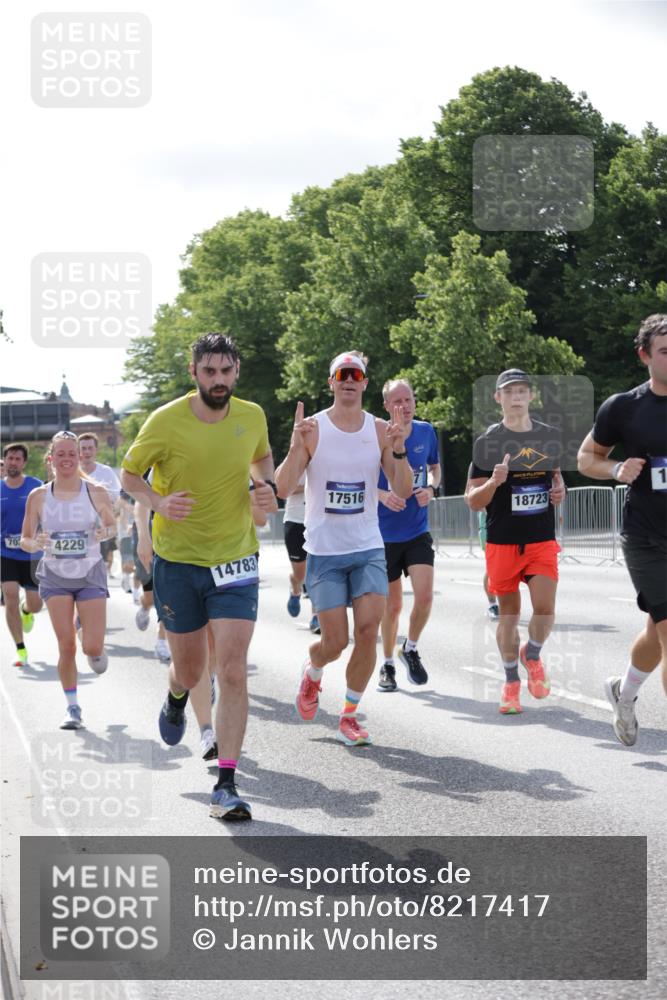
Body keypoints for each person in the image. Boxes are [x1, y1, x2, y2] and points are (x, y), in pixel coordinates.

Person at [121, 332, 276, 822]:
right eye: (209, 372)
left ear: (236, 372)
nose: (219, 380)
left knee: (231, 669)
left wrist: (265, 488)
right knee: (192, 672)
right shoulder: (165, 421)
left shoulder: (251, 415)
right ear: (194, 373)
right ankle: (175, 697)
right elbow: (130, 475)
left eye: (226, 372)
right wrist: (159, 503)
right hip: (179, 560)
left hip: (235, 560)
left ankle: (226, 782)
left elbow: (262, 457)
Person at [275, 350, 412, 746]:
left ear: (366, 383)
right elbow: (283, 488)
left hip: (368, 546)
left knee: (368, 631)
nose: (349, 379)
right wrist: (294, 446)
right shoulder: (313, 428)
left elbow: (402, 489)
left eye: (356, 374)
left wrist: (399, 450)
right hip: (325, 551)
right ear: (332, 381)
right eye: (342, 374)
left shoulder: (381, 429)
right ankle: (313, 670)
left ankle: (349, 715)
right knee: (334, 642)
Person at [578, 314, 667, 745]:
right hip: (647, 538)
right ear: (644, 356)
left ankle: (623, 693)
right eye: (666, 351)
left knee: (657, 632)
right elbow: (585, 458)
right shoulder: (624, 407)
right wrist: (616, 468)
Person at [465, 369, 565, 715]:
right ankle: (510, 683)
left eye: (522, 390)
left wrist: (559, 488)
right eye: (509, 392)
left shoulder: (549, 436)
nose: (517, 396)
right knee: (509, 615)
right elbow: (472, 499)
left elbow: (555, 475)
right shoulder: (487, 443)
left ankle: (532, 654)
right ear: (498, 398)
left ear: (531, 396)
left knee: (545, 608)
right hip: (503, 541)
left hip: (540, 539)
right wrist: (494, 482)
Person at [20, 431, 115, 729]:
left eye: (71, 454)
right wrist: (35, 543)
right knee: (66, 647)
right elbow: (25, 539)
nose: (66, 459)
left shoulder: (95, 491)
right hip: (55, 576)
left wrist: (104, 532)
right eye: (59, 454)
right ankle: (72, 708)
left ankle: (87, 632)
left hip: (89, 573)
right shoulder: (38, 496)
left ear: (79, 458)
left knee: (91, 648)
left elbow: (112, 526)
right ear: (51, 460)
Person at [376, 379, 441, 692]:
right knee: (392, 606)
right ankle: (387, 664)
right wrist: (380, 494)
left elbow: (435, 467)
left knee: (425, 597)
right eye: (397, 401)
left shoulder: (426, 431)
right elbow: (359, 478)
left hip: (417, 529)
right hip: (383, 533)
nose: (404, 405)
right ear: (387, 405)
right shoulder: (376, 435)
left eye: (409, 399)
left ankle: (410, 648)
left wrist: (432, 487)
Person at [1, 444, 44, 665]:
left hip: (32, 554)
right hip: (5, 552)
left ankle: (26, 610)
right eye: (10, 458)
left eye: (17, 459)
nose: (13, 462)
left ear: (24, 463)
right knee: (9, 593)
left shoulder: (35, 487)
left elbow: (48, 516)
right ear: (5, 460)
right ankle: (20, 650)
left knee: (36, 604)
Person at [77, 434, 121, 575]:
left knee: (97, 573)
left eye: (90, 448)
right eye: (83, 448)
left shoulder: (106, 472)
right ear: (78, 451)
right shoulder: (71, 473)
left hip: (99, 531)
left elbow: (117, 499)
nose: (87, 452)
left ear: (96, 450)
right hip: (77, 531)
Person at [283, 472, 319, 633]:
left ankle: (316, 616)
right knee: (300, 575)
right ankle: (295, 588)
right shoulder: (295, 461)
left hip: (316, 521)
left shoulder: (323, 459)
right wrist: (309, 486)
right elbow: (283, 490)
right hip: (294, 521)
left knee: (316, 571)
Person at [478, 510, 499, 620]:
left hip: (506, 528)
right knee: (492, 568)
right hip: (489, 528)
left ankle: (506, 604)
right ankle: (492, 605)